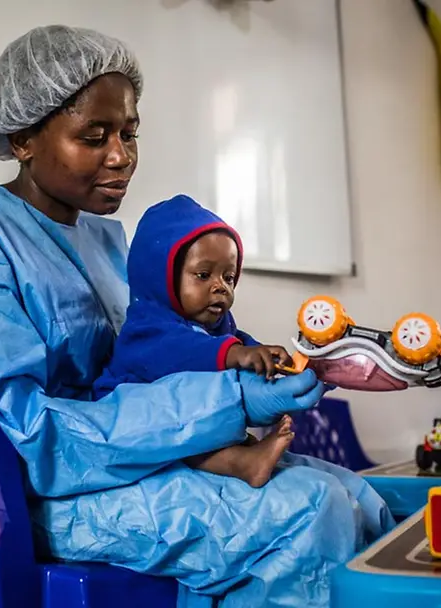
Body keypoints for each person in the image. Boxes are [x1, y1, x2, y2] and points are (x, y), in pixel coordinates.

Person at [0, 24, 395, 608]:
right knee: (306, 513)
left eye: (129, 133)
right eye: (94, 136)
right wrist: (229, 402)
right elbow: (17, 434)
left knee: (356, 496)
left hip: (87, 462)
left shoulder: (102, 242)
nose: (121, 157)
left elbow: (140, 369)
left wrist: (266, 372)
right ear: (22, 140)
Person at [94, 194, 298, 488]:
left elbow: (234, 341)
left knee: (222, 435)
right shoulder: (148, 328)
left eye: (229, 277)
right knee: (184, 445)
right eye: (203, 275)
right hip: (129, 421)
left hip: (183, 417)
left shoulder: (216, 323)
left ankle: (246, 454)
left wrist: (269, 359)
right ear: (161, 277)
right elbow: (185, 352)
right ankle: (243, 464)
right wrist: (238, 354)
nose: (220, 287)